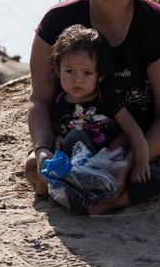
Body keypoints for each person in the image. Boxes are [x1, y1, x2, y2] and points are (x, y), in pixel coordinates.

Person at [24, 0, 160, 214]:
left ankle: (107, 197)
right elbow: (39, 100)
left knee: (135, 180)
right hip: (77, 133)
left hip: (145, 140)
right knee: (34, 172)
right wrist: (43, 149)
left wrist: (126, 162)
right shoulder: (57, 21)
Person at [49, 24, 150, 185]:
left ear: (100, 75)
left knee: (156, 178)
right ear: (57, 69)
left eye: (87, 73)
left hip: (108, 164)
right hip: (74, 168)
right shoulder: (57, 103)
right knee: (74, 136)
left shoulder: (107, 98)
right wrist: (57, 141)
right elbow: (54, 134)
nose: (78, 79)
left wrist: (141, 163)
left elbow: (132, 130)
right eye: (69, 71)